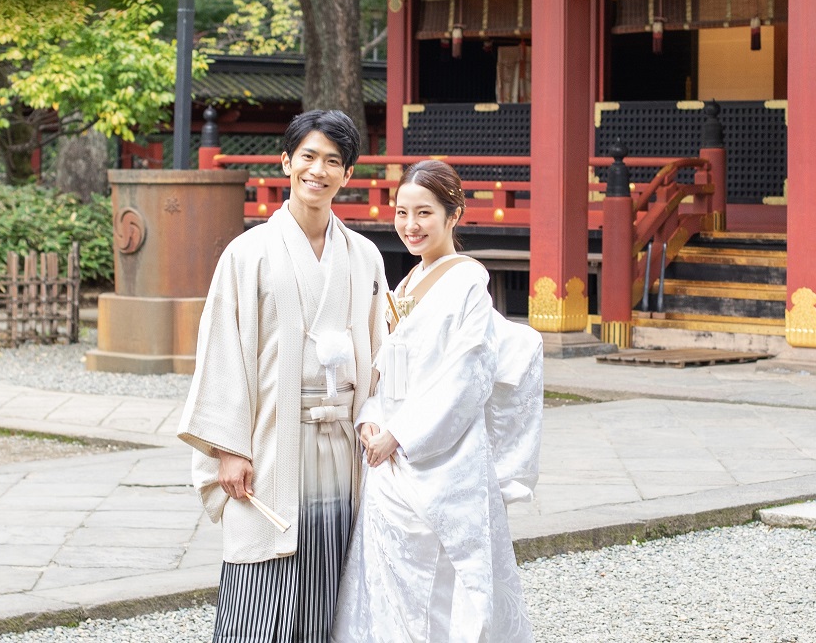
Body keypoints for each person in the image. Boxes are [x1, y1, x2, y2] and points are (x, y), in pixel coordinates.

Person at [176, 110, 386, 641]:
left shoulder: (363, 257)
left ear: (348, 174)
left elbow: (384, 355)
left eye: (333, 161)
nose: (319, 170)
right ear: (287, 162)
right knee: (262, 578)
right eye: (309, 157)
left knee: (332, 567)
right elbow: (221, 349)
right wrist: (228, 448)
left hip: (341, 440)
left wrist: (381, 422)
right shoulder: (248, 254)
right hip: (272, 439)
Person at [333, 159, 542, 643]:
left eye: (424, 213)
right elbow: (387, 371)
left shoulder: (468, 281)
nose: (410, 225)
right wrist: (370, 418)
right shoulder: (406, 283)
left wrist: (401, 435)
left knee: (448, 589)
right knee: (388, 590)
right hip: (389, 457)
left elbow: (466, 377)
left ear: (455, 214)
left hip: (441, 456)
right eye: (401, 212)